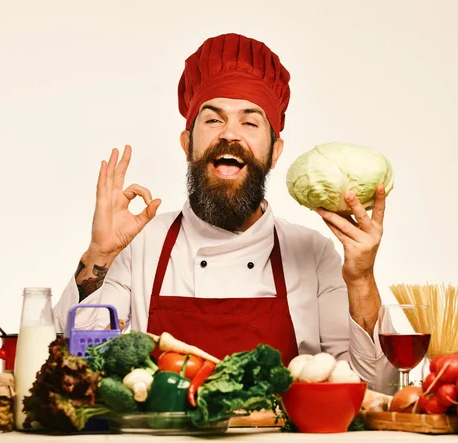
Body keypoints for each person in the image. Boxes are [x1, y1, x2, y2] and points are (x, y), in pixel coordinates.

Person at [53, 33, 398, 393]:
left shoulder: (313, 254)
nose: (230, 134)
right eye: (213, 120)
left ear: (275, 152)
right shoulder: (141, 247)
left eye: (250, 122)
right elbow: (74, 372)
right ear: (187, 144)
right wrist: (101, 254)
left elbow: (373, 389)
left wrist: (361, 279)